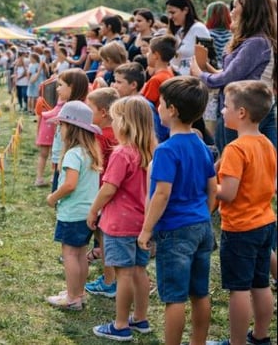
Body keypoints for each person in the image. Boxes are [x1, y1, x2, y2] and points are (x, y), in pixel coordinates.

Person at [138, 76, 217, 345]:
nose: (157, 107)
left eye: (160, 103)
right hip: (202, 227)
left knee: (174, 298)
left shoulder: (166, 150)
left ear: (171, 109)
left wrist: (147, 229)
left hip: (175, 231)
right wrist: (204, 214)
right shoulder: (201, 145)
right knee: (200, 293)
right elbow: (212, 188)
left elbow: (162, 193)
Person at [88, 96, 156, 342]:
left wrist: (93, 210)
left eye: (116, 119)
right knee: (140, 270)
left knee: (123, 274)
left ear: (125, 123)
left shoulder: (122, 153)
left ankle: (119, 325)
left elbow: (108, 188)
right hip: (142, 223)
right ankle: (140, 318)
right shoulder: (151, 151)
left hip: (119, 225)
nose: (113, 123)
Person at [213, 80, 276, 345]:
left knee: (238, 289)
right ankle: (260, 336)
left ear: (241, 113)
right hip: (265, 222)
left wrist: (207, 185)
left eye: (225, 107)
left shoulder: (235, 149)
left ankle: (236, 341)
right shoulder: (266, 144)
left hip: (240, 227)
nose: (222, 112)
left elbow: (227, 193)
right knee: (260, 283)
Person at [192, 0, 277, 153]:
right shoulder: (253, 40)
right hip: (243, 109)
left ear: (247, 9)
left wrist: (200, 74)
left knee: (234, 160)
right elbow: (232, 73)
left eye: (236, 5)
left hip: (243, 111)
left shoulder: (256, 42)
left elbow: (229, 77)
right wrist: (205, 65)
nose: (232, 10)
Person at [44, 100, 103, 310]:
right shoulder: (91, 152)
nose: (59, 129)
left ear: (71, 128)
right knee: (81, 254)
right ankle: (78, 293)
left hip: (72, 213)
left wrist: (53, 197)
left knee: (69, 254)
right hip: (88, 213)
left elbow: (70, 184)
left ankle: (72, 298)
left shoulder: (72, 154)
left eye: (61, 125)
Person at [83, 87, 119, 299]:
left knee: (103, 237)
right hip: (113, 193)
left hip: (100, 192)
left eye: (91, 109)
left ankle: (109, 281)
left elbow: (94, 165)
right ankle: (111, 279)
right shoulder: (116, 132)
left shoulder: (101, 137)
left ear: (103, 112)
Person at [37, 69, 90, 189]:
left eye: (60, 85)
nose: (57, 89)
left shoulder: (73, 108)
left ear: (72, 87)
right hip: (61, 157)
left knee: (61, 189)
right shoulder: (70, 105)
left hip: (66, 159)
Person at [115, 62, 169, 142]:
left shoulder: (142, 107)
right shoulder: (124, 104)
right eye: (115, 81)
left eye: (119, 82)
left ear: (133, 85)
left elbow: (157, 135)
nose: (115, 85)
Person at [202, 1, 232, 137]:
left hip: (209, 78)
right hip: (226, 78)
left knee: (209, 120)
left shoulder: (206, 35)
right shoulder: (233, 36)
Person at [165, 0, 211, 76]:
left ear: (185, 10)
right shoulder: (179, 32)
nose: (170, 17)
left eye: (173, 12)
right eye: (169, 13)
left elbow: (208, 59)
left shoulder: (199, 29)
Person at [141, 35, 177, 108]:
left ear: (156, 55)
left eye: (149, 51)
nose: (147, 55)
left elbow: (145, 108)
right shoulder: (170, 72)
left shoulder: (156, 80)